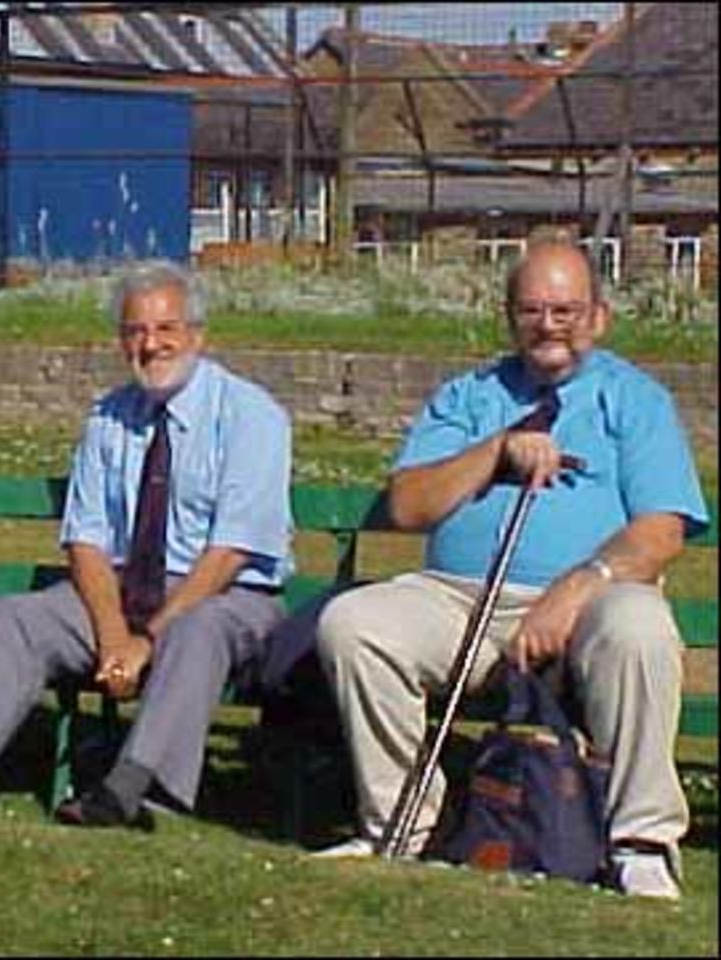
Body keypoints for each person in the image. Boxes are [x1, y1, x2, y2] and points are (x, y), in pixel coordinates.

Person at [282, 243, 708, 900]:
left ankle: (640, 840)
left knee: (641, 626)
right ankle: (401, 825)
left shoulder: (636, 401)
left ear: (599, 317)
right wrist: (496, 451)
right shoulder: (468, 397)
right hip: (460, 602)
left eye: (565, 310)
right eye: (532, 310)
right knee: (356, 622)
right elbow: (408, 504)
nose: (548, 325)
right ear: (510, 318)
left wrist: (579, 584)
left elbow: (661, 530)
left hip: (589, 603)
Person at [0, 260, 293, 829]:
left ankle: (127, 789)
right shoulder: (109, 418)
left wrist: (145, 642)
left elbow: (229, 552)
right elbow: (86, 539)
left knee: (196, 631)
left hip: (224, 596)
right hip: (122, 591)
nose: (151, 344)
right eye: (136, 331)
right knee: (18, 616)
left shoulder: (251, 417)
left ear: (197, 335)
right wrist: (114, 634)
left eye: (166, 329)